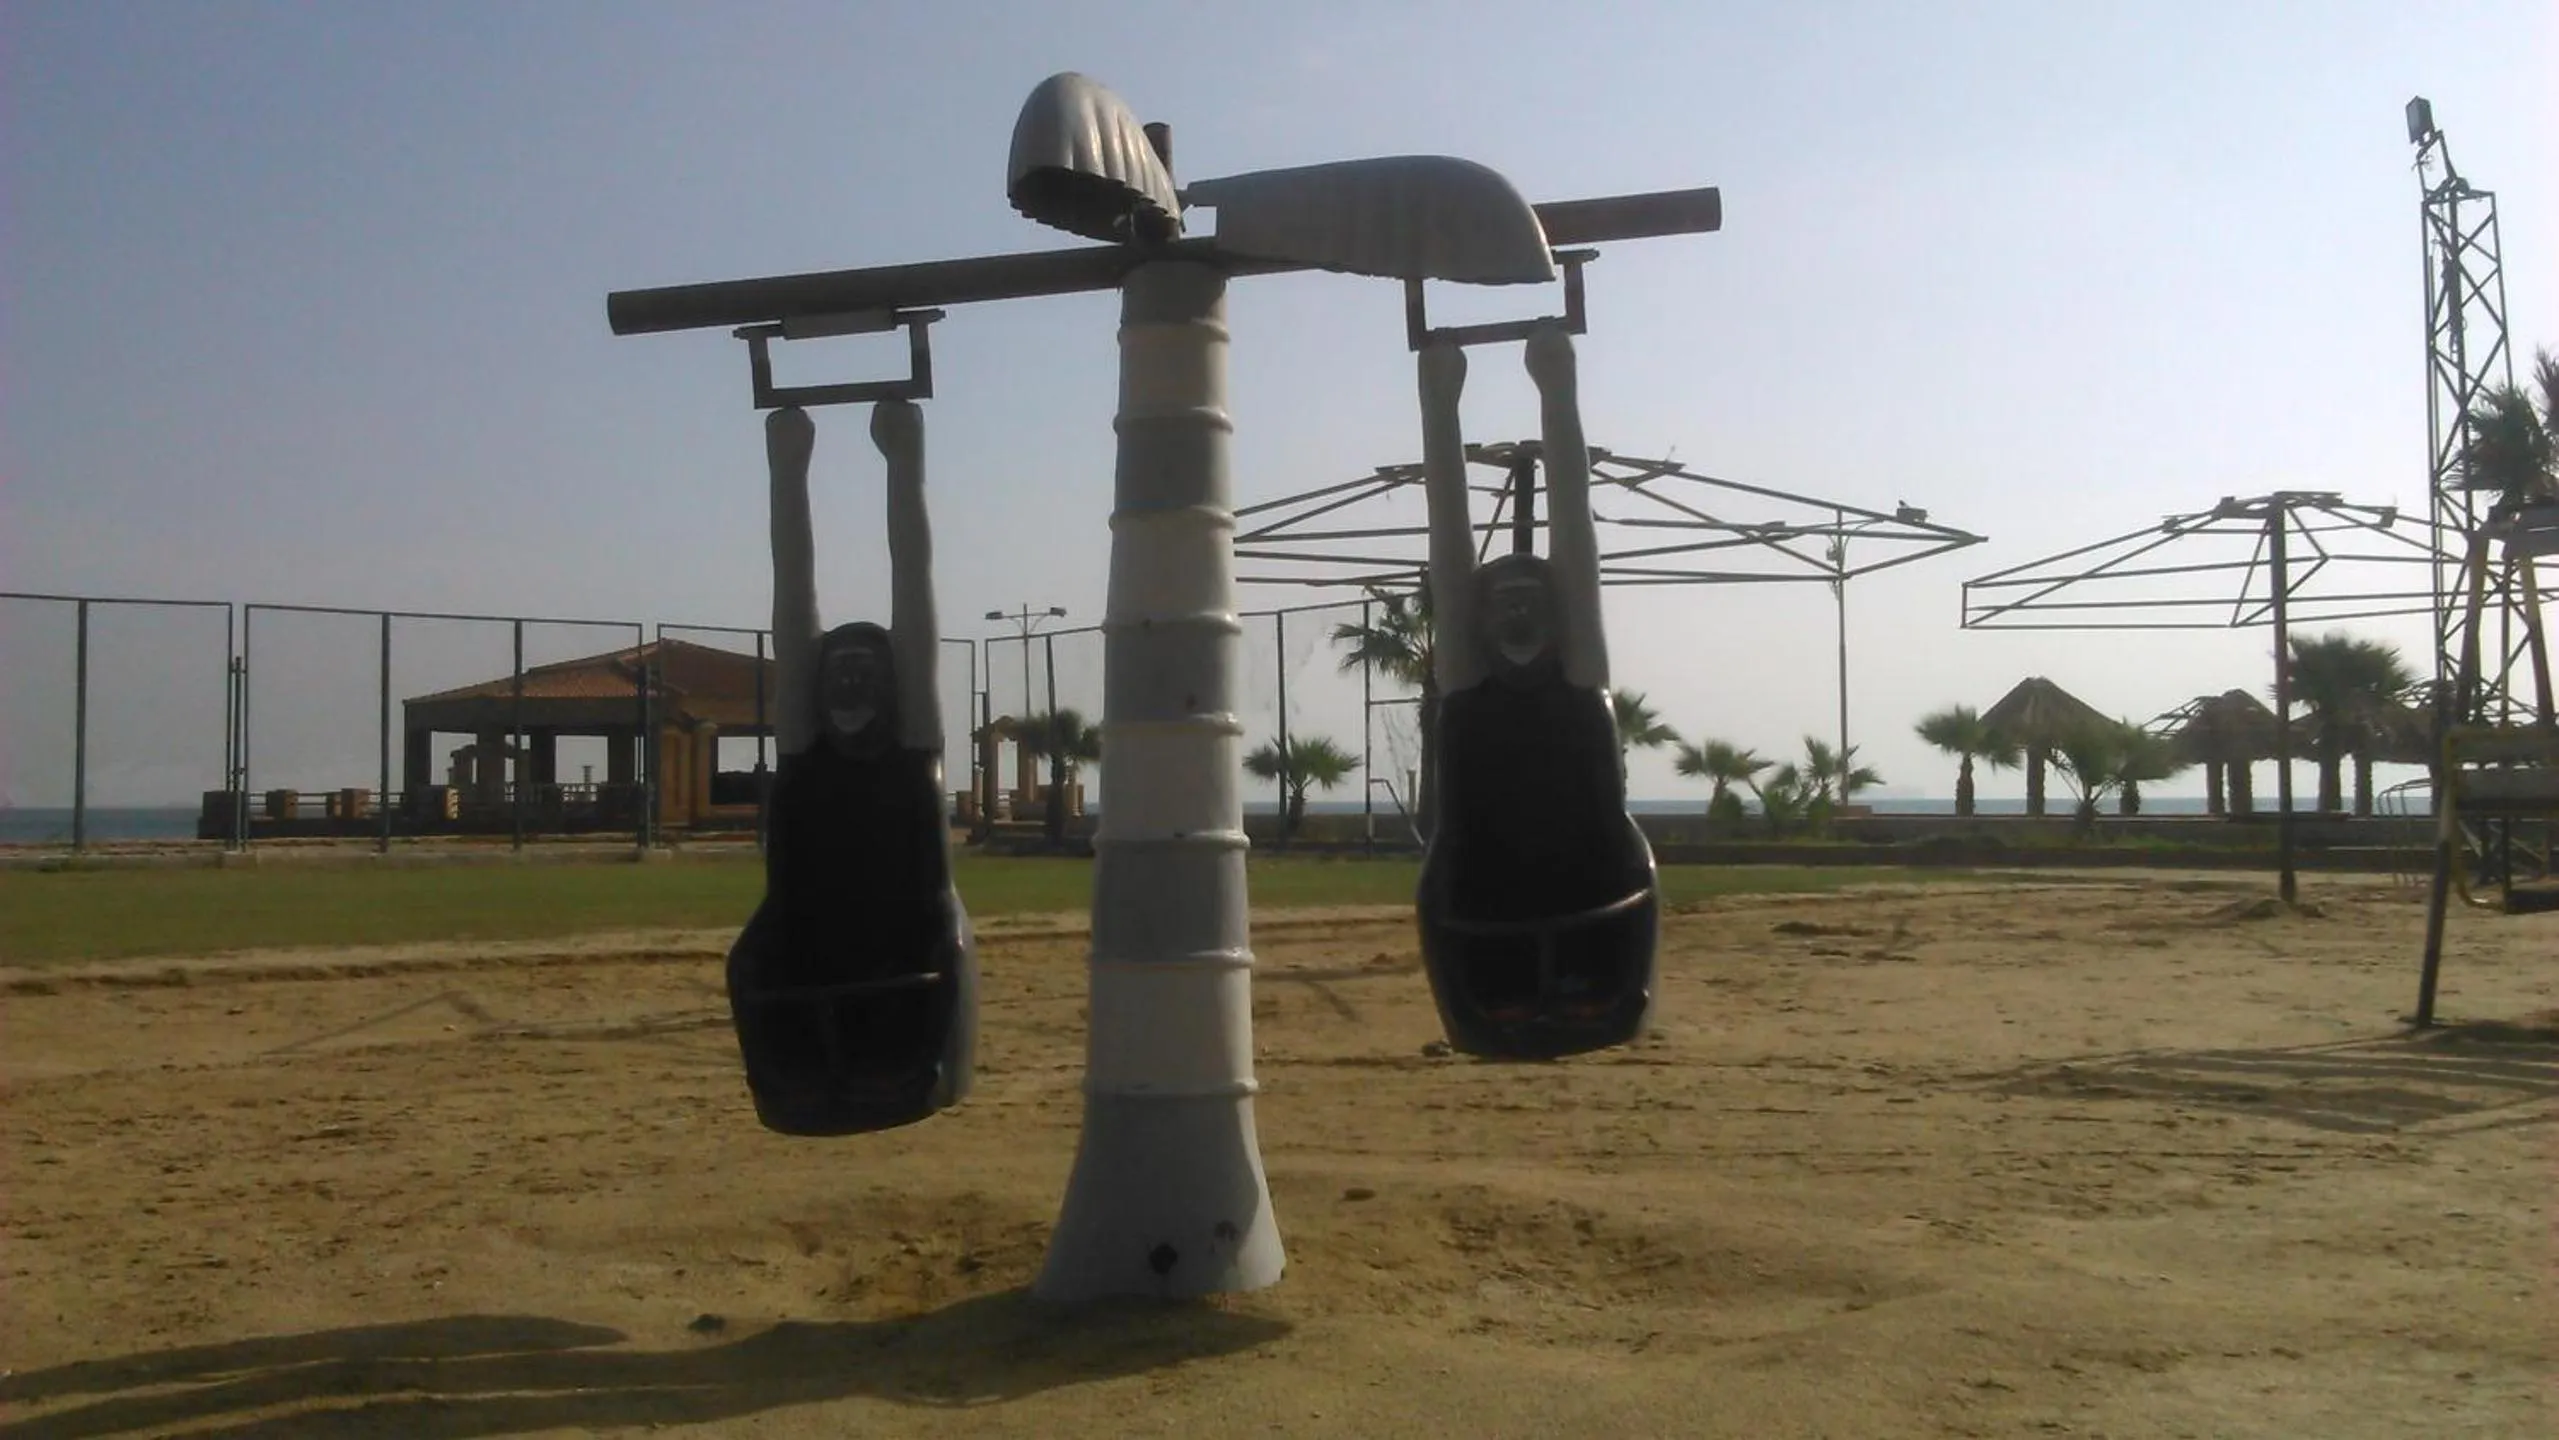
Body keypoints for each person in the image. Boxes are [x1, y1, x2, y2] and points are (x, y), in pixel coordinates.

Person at [725, 399, 976, 1135]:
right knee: (750, 965)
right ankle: (795, 1078)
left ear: (895, 687)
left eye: (867, 675)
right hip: (815, 946)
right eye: (836, 676)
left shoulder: (911, 746)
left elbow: (913, 583)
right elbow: (792, 597)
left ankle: (904, 1068)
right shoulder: (805, 749)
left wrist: (903, 461)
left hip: (911, 942)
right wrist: (788, 467)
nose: (848, 689)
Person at [1415, 326, 1657, 1054]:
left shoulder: (1579, 671)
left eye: (1533, 598)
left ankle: (1578, 999)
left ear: (1562, 615)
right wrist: (1438, 403)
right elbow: (1447, 537)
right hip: (1484, 905)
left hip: (1590, 892)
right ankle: (1506, 1004)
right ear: (1476, 620)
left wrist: (1558, 388)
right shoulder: (1466, 681)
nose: (1519, 612)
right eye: (1502, 601)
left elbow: (1574, 530)